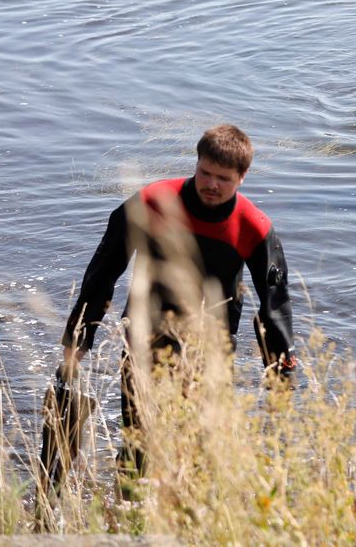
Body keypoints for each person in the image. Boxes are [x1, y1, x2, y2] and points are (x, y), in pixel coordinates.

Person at [55, 123, 296, 481]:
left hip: (211, 352)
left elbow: (273, 306)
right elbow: (101, 276)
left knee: (200, 455)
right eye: (205, 173)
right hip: (142, 340)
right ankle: (132, 523)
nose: (211, 184)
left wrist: (280, 374)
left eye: (223, 178)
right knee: (137, 445)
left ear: (242, 177)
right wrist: (77, 344)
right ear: (196, 164)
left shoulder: (253, 227)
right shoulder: (152, 203)